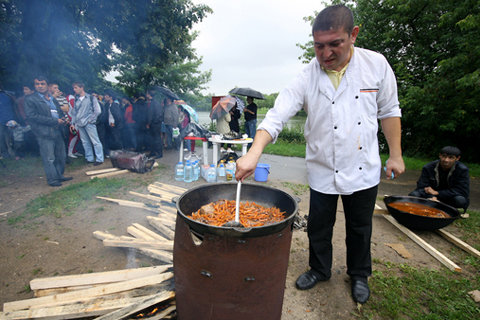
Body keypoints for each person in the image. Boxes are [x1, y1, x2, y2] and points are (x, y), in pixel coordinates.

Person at [235, 5, 405, 304]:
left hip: (362, 166)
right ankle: (319, 269)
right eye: (318, 46)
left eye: (334, 44)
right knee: (319, 225)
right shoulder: (306, 75)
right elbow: (276, 116)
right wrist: (254, 152)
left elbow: (390, 111)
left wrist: (396, 154)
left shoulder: (375, 65)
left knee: (360, 226)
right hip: (322, 166)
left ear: (353, 35)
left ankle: (359, 274)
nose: (325, 53)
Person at [24, 76, 73, 186]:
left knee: (61, 155)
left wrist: (63, 119)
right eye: (37, 84)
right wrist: (54, 121)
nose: (40, 86)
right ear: (35, 86)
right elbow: (32, 116)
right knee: (49, 158)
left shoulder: (51, 98)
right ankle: (52, 179)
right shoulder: (31, 99)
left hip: (57, 130)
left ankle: (59, 175)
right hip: (44, 132)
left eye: (42, 83)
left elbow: (59, 112)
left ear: (47, 85)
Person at [409, 146, 470, 213]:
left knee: (460, 200)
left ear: (457, 158)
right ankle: (426, 206)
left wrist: (438, 193)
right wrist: (432, 196)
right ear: (440, 155)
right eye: (444, 156)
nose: (446, 160)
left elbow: (462, 191)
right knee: (414, 194)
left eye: (451, 157)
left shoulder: (462, 170)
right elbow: (421, 186)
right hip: (430, 195)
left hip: (449, 197)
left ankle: (447, 209)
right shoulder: (428, 167)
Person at [70, 81, 104, 165]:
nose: (74, 90)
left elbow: (98, 111)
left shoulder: (91, 98)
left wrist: (91, 120)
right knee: (85, 142)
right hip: (79, 123)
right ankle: (89, 158)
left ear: (82, 87)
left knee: (95, 141)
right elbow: (74, 113)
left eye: (76, 88)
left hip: (89, 123)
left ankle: (99, 159)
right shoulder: (76, 99)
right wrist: (72, 123)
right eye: (74, 88)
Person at [146, 88, 164, 158]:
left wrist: (150, 123)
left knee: (157, 139)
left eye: (147, 93)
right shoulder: (152, 103)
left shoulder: (154, 103)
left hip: (155, 124)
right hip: (154, 124)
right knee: (152, 139)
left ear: (149, 95)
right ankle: (153, 152)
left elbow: (156, 115)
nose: (146, 95)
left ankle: (159, 153)